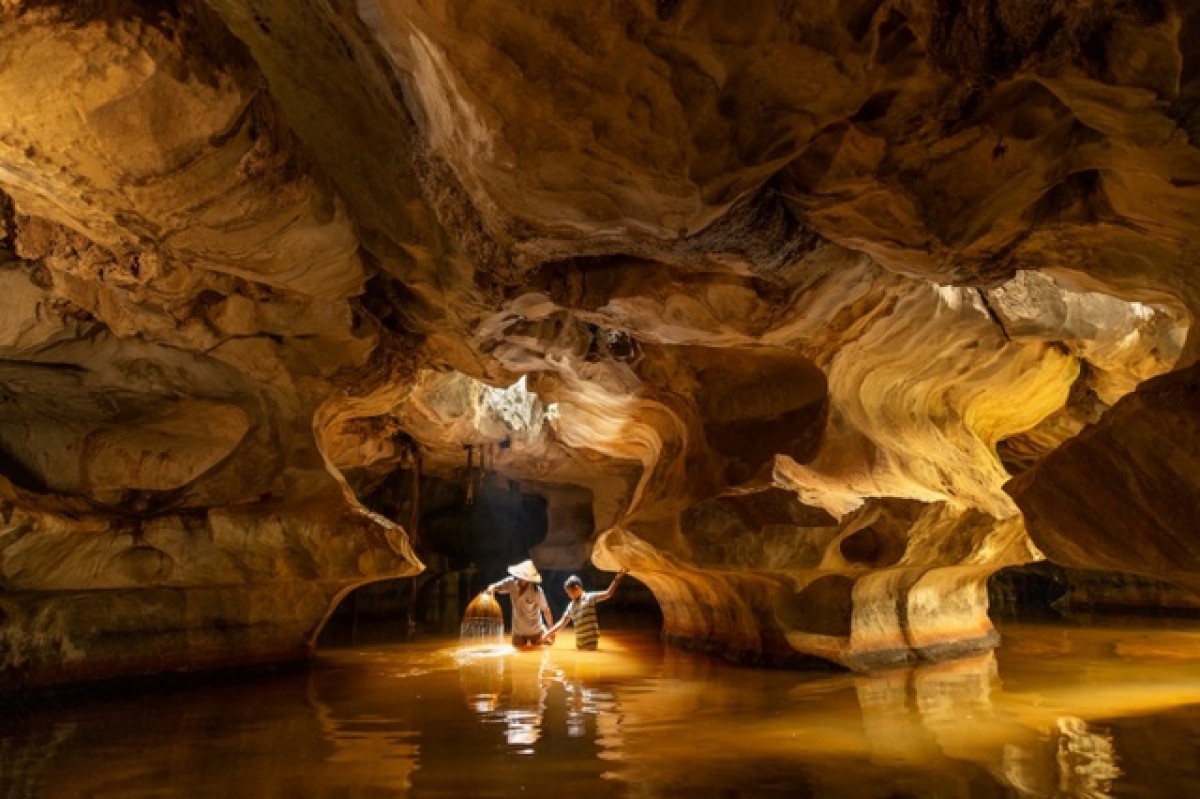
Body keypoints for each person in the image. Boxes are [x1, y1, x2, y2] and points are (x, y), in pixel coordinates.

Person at [542, 569, 627, 650]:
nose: (569, 595)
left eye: (570, 592)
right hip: (579, 643)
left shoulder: (589, 597)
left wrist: (617, 579)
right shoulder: (571, 605)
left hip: (591, 643)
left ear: (577, 588)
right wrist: (547, 635)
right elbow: (561, 623)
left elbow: (608, 594)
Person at [485, 559, 554, 647]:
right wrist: (491, 588)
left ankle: (543, 632)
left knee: (544, 648)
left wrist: (551, 630)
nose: (521, 579)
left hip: (535, 631)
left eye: (524, 577)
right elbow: (495, 586)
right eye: (520, 576)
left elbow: (546, 610)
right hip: (518, 632)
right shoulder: (511, 583)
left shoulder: (536, 591)